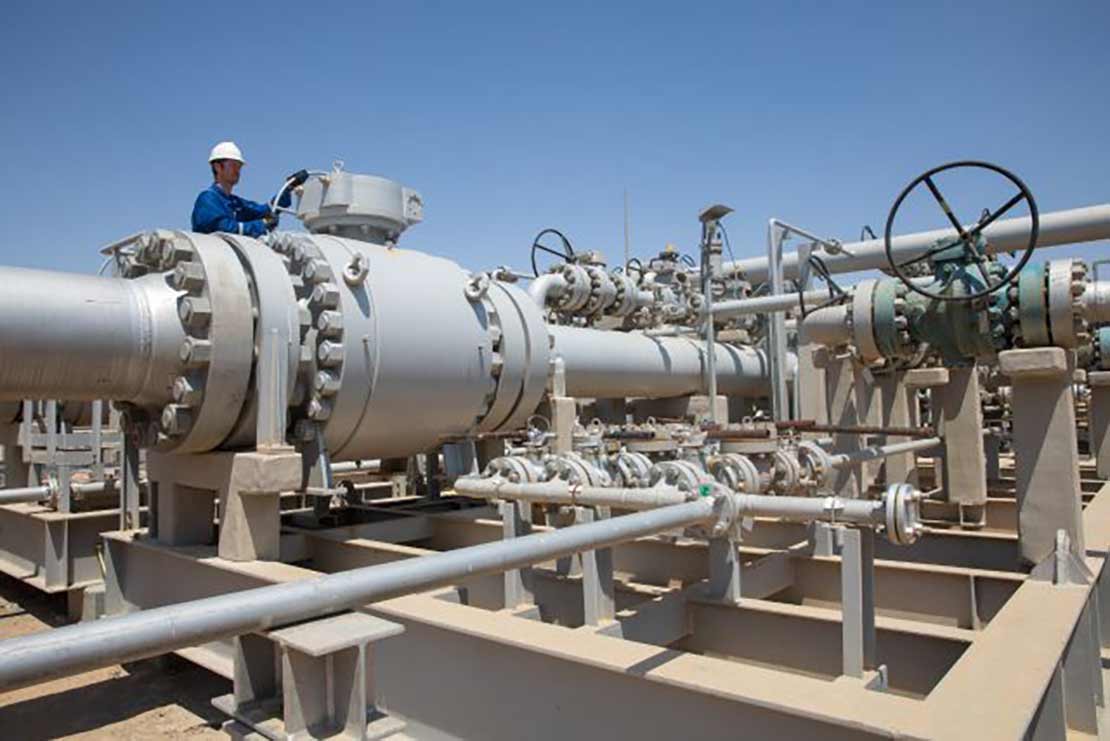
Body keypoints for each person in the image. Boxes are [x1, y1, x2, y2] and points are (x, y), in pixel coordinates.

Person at [191, 141, 309, 237]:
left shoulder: (236, 203)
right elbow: (222, 229)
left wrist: (289, 187)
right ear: (217, 167)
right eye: (233, 165)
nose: (237, 171)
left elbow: (265, 210)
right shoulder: (208, 199)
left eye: (239, 166)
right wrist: (262, 225)